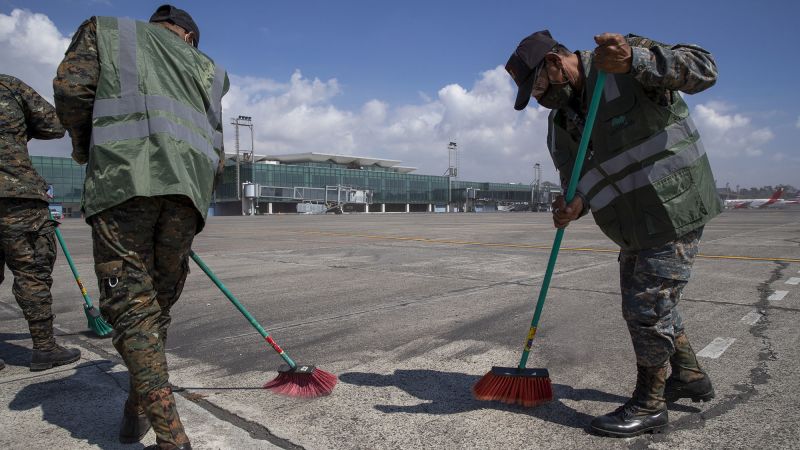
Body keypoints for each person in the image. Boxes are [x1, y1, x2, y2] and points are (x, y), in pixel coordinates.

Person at [505, 30, 721, 437]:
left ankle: (650, 405)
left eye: (538, 87)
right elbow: (579, 181)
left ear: (555, 62)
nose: (539, 100)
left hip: (675, 208)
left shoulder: (621, 61)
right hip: (631, 226)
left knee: (647, 310)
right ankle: (690, 376)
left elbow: (705, 69)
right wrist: (573, 205)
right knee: (647, 306)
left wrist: (637, 61)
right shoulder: (561, 123)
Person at [53, 5, 228, 449]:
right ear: (189, 37)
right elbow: (217, 144)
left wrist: (83, 150)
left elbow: (71, 91)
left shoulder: (108, 31)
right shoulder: (210, 69)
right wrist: (197, 195)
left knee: (133, 308)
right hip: (187, 194)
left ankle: (171, 436)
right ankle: (136, 411)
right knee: (156, 305)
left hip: (123, 181)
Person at [0, 74, 81, 372]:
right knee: (31, 271)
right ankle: (45, 347)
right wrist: (19, 131)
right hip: (15, 193)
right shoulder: (8, 86)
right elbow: (54, 125)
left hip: (15, 192)